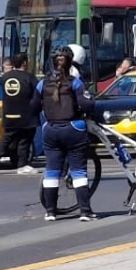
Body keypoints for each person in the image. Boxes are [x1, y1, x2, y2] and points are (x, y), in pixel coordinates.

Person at [34, 46, 96, 221]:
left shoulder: (42, 84)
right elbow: (87, 105)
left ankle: (50, 212)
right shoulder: (75, 82)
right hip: (73, 129)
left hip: (51, 130)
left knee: (52, 171)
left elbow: (33, 106)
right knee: (79, 171)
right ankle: (85, 211)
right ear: (71, 63)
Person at [0, 54, 38, 173]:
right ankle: (22, 164)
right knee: (24, 139)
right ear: (25, 63)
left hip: (8, 113)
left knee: (7, 137)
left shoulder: (5, 77)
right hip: (25, 115)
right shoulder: (29, 78)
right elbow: (36, 95)